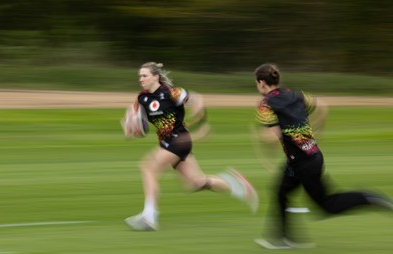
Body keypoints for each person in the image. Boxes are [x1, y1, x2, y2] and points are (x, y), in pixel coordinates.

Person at [252, 63, 393, 249]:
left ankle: (369, 198)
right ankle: (284, 239)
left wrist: (258, 135)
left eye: (257, 83)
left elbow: (272, 139)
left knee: (328, 205)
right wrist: (317, 130)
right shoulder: (295, 94)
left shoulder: (265, 104)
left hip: (303, 164)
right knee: (281, 192)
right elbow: (323, 107)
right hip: (309, 157)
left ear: (262, 83)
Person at [122, 62, 258, 231]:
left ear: (155, 77)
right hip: (170, 143)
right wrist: (130, 128)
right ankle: (237, 185)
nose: (140, 79)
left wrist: (200, 126)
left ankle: (149, 217)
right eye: (140, 76)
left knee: (148, 167)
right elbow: (134, 125)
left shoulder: (171, 92)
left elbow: (198, 101)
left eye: (144, 75)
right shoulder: (142, 98)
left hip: (179, 140)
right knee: (196, 183)